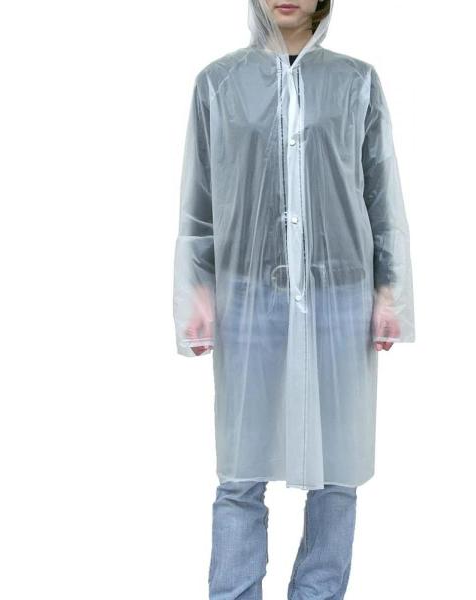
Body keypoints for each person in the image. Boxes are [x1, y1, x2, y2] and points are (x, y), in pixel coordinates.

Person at [172, 1, 415, 597]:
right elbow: (199, 198)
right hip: (248, 294)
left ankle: (318, 592)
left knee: (338, 468)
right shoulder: (218, 82)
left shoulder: (356, 81)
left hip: (339, 293)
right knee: (240, 468)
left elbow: (379, 191)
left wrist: (390, 291)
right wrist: (197, 289)